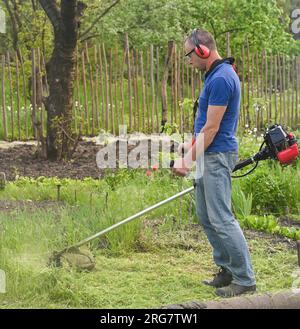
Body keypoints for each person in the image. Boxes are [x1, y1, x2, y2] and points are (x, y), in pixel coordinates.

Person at [172, 28, 256, 298]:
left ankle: (245, 279)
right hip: (208, 153)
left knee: (221, 218)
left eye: (189, 55)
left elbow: (212, 129)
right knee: (207, 217)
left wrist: (187, 159)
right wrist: (192, 147)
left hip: (217, 155)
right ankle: (227, 270)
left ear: (202, 51)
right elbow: (206, 129)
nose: (189, 61)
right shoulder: (215, 76)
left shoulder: (221, 78)